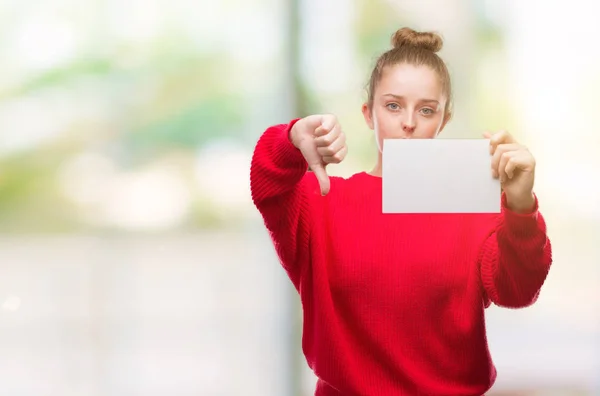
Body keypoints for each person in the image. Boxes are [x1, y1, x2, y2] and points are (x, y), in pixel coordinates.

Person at [250, 27, 552, 396]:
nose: (409, 122)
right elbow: (268, 183)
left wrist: (522, 208)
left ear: (444, 119)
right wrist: (292, 137)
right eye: (393, 105)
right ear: (368, 113)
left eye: (426, 110)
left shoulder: (472, 205)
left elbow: (517, 291)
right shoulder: (324, 202)